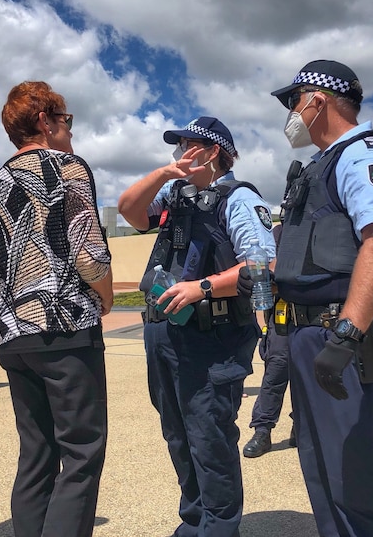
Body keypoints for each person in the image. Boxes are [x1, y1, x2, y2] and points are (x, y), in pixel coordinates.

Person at [267, 60, 373, 537]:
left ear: (318, 100)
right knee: (324, 469)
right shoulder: (322, 165)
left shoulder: (363, 155)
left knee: (358, 476)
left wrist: (347, 334)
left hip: (346, 340)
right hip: (310, 334)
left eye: (294, 101)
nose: (290, 113)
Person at [117, 116, 276, 537]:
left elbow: (263, 266)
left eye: (187, 145)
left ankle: (220, 528)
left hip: (213, 338)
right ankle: (194, 522)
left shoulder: (238, 200)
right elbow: (129, 210)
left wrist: (202, 287)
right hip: (166, 335)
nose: (179, 152)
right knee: (178, 436)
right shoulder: (175, 193)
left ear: (211, 152)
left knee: (210, 438)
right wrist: (164, 174)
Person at [0, 81, 113, 537]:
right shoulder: (67, 168)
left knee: (35, 455)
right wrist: (106, 294)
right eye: (66, 120)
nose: (70, 130)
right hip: (65, 327)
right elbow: (89, 253)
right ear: (44, 122)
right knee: (81, 452)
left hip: (14, 335)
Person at [242, 225, 294, 459]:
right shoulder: (278, 233)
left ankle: (301, 426)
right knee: (275, 373)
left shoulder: (323, 227)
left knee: (313, 376)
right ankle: (262, 430)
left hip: (318, 317)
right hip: (283, 314)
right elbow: (262, 277)